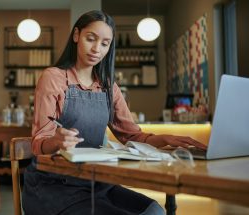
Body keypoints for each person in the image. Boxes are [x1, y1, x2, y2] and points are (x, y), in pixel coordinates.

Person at [22, 10, 207, 215]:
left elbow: (132, 136)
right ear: (76, 36)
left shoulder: (109, 87)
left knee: (154, 211)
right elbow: (39, 143)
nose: (96, 49)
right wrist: (56, 141)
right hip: (53, 186)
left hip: (95, 181)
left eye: (105, 43)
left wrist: (163, 138)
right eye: (90, 39)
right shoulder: (53, 78)